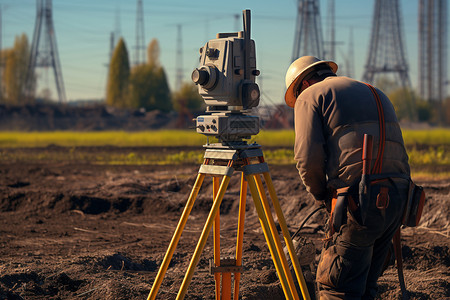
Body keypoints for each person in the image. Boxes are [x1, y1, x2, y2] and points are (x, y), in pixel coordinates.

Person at [284, 56, 410, 299]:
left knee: (338, 288)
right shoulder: (376, 91)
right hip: (399, 198)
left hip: (360, 201)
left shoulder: (311, 95)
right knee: (365, 289)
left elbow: (306, 158)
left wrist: (320, 194)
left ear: (304, 83)